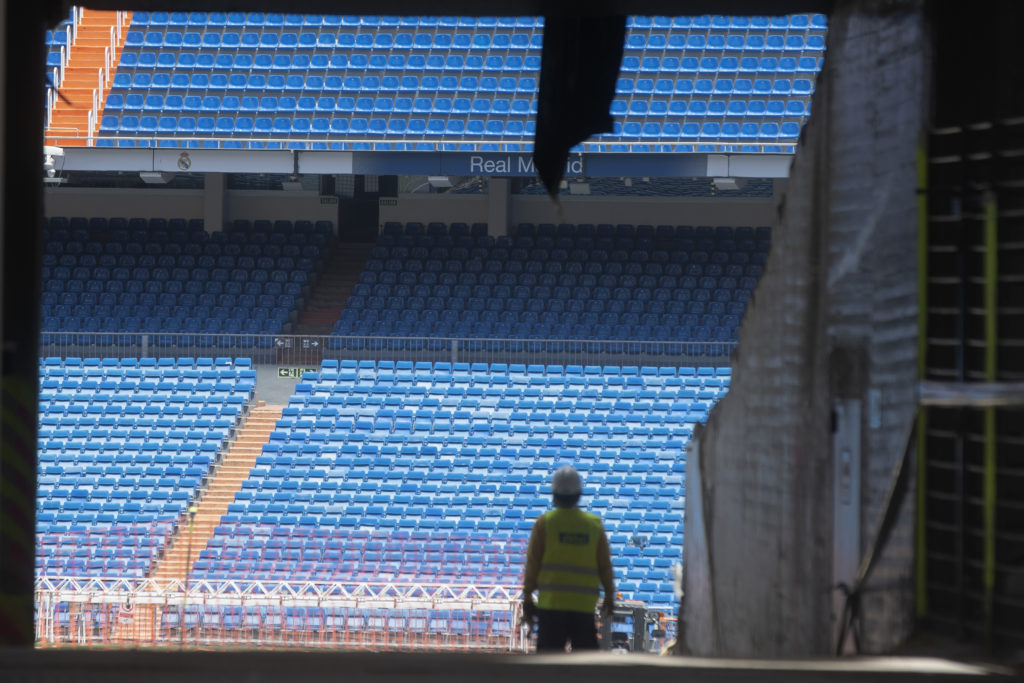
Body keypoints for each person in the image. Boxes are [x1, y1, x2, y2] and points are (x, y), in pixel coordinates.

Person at [521, 465, 616, 652]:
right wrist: (610, 597)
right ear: (579, 494)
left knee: (547, 668)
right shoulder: (594, 525)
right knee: (585, 669)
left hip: (550, 609)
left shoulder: (544, 524)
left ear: (554, 494)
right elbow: (605, 566)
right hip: (583, 610)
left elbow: (532, 567)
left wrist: (527, 600)